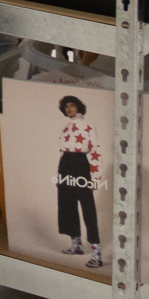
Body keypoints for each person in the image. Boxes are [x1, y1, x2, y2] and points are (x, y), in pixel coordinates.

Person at [56, 94, 103, 268]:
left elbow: (96, 151)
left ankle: (97, 254)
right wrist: (59, 175)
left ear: (78, 107)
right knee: (67, 205)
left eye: (72, 105)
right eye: (66, 106)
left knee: (87, 207)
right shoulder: (64, 128)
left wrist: (96, 177)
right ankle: (76, 245)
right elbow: (62, 152)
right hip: (65, 165)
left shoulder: (88, 127)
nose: (69, 109)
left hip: (80, 164)